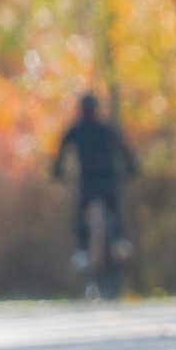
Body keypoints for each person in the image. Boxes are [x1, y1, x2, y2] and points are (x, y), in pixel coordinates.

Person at [52, 92, 136, 263]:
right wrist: (131, 169)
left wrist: (57, 172)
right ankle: (119, 242)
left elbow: (61, 154)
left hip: (88, 182)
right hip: (107, 180)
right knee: (115, 210)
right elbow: (125, 150)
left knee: (81, 214)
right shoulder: (106, 128)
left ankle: (83, 248)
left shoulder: (76, 130)